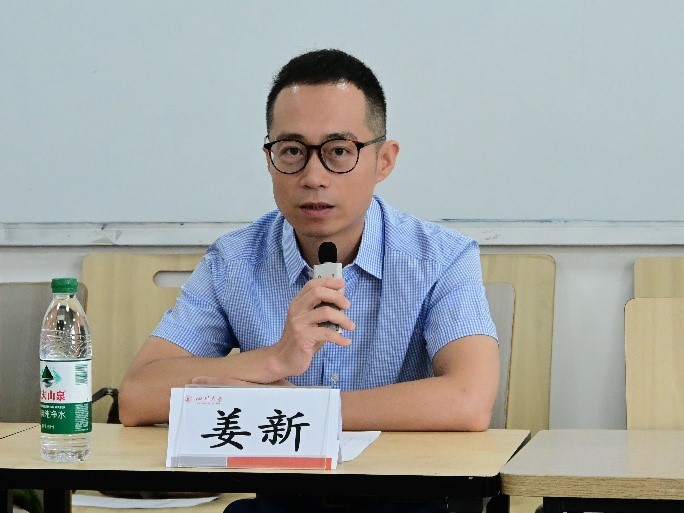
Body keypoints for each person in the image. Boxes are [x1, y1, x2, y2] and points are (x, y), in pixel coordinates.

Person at [118, 48, 499, 513]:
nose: (313, 177)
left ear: (384, 161)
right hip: (282, 502)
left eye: (339, 151)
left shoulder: (440, 257)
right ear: (269, 158)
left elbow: (469, 399)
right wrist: (273, 359)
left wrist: (304, 412)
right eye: (293, 151)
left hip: (408, 499)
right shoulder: (234, 261)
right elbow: (138, 395)